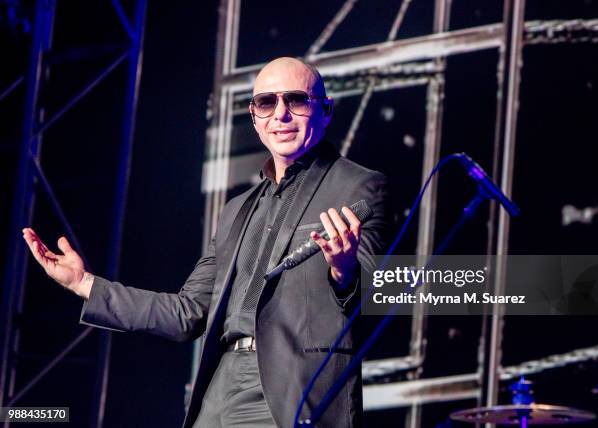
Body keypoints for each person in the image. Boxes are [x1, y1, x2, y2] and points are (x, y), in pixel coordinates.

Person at [23, 57, 390, 428]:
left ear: (325, 111)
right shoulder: (236, 210)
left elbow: (379, 296)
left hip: (291, 389)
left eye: (296, 100)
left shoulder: (358, 186)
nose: (280, 115)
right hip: (220, 386)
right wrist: (83, 284)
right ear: (254, 118)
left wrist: (343, 271)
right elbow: (186, 313)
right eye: (266, 103)